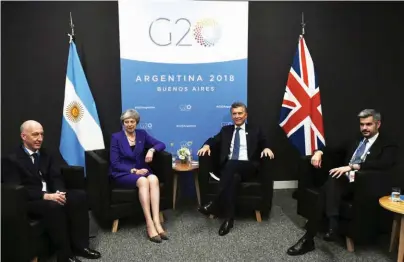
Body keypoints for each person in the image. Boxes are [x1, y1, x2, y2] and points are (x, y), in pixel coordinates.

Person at [287, 109, 399, 256]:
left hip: (364, 182)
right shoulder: (356, 139)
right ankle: (330, 227)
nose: (364, 128)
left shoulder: (388, 144)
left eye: (368, 124)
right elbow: (333, 149)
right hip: (344, 180)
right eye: (362, 124)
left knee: (331, 182)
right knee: (332, 181)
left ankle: (310, 238)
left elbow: (384, 164)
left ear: (378, 124)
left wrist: (352, 167)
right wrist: (319, 152)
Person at [1, 120, 101, 262]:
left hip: (52, 195)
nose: (40, 138)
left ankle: (81, 246)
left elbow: (55, 176)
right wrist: (46, 196)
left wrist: (59, 192)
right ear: (23, 136)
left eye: (42, 134)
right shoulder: (11, 159)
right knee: (53, 206)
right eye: (35, 135)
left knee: (79, 196)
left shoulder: (46, 153)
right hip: (30, 201)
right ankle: (65, 256)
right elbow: (15, 189)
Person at [197, 101, 275, 236]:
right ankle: (229, 219)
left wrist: (267, 147)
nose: (237, 116)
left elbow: (264, 141)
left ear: (245, 115)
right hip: (230, 170)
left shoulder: (255, 130)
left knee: (232, 164)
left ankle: (214, 203)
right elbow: (212, 140)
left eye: (240, 113)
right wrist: (206, 146)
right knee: (233, 177)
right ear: (231, 116)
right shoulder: (226, 130)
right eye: (234, 114)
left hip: (249, 167)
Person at [110, 109, 167, 243]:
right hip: (123, 173)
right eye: (126, 122)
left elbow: (161, 144)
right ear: (123, 123)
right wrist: (134, 171)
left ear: (136, 122)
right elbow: (114, 163)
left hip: (143, 169)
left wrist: (152, 150)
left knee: (153, 179)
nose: (129, 124)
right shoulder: (116, 137)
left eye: (132, 121)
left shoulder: (142, 134)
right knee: (143, 181)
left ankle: (157, 222)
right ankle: (149, 223)